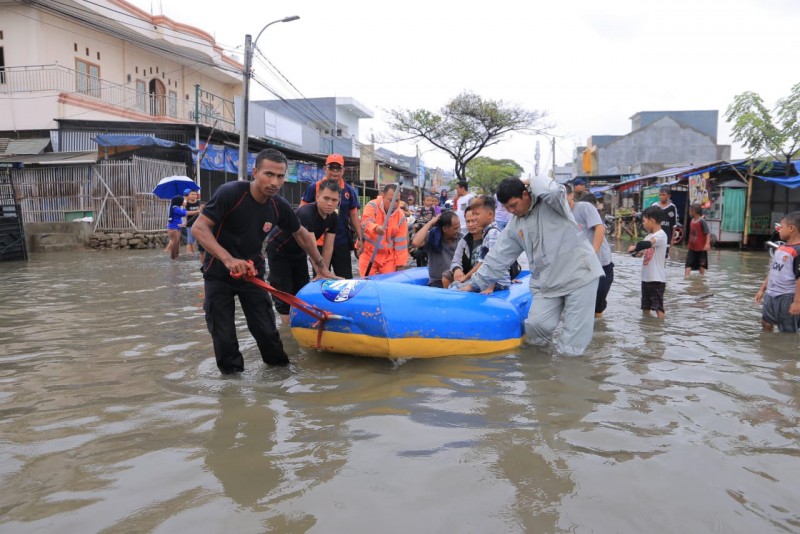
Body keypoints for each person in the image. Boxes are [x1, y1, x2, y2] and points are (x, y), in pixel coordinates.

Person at [192, 148, 335, 374]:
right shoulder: (230, 193)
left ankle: (280, 382)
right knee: (224, 337)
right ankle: (232, 392)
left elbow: (301, 235)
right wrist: (228, 260)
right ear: (255, 172)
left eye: (280, 176)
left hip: (252, 276)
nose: (274, 182)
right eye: (269, 174)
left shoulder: (278, 205)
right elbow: (199, 228)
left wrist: (321, 267)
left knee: (267, 332)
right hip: (218, 273)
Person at [468, 177, 603, 355]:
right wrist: (474, 285)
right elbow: (497, 257)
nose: (512, 211)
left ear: (526, 194)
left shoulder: (554, 204)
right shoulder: (515, 225)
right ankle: (538, 374)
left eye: (514, 205)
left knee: (571, 347)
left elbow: (554, 190)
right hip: (547, 282)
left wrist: (531, 179)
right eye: (507, 208)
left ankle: (568, 376)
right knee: (536, 328)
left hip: (580, 277)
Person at [266, 180, 340, 325]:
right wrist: (321, 270)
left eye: (334, 200)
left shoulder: (334, 218)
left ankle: (302, 323)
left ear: (339, 201)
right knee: (284, 291)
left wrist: (325, 272)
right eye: (326, 198)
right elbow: (310, 245)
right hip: (279, 249)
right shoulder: (306, 212)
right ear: (317, 196)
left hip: (299, 251)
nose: (329, 203)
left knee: (301, 288)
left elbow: (328, 247)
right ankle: (287, 330)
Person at [300, 154, 363, 278]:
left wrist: (360, 237)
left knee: (345, 277)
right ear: (325, 169)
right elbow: (302, 210)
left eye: (338, 168)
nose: (334, 172)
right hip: (318, 240)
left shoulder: (349, 190)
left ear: (343, 170)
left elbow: (354, 215)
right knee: (320, 276)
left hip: (341, 240)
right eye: (331, 167)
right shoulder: (315, 187)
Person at [567, 187, 614, 318]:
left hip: (601, 263)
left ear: (571, 196)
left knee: (597, 307)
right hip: (582, 267)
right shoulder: (562, 215)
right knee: (582, 305)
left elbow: (600, 228)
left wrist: (593, 253)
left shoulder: (584, 207)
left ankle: (598, 332)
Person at [452, 196, 511, 294]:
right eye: (473, 214)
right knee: (455, 284)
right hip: (487, 279)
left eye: (477, 214)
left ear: (490, 214)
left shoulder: (493, 233)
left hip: (496, 282)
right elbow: (482, 262)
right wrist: (465, 277)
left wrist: (489, 287)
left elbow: (493, 262)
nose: (474, 218)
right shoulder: (487, 233)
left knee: (454, 289)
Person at [754, 211, 800, 333]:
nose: (779, 230)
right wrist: (762, 289)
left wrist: (797, 302)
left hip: (787, 297)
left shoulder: (797, 251)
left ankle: (785, 350)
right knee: (766, 322)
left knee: (787, 331)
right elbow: (773, 271)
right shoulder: (781, 248)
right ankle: (768, 348)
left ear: (791, 228)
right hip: (771, 294)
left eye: (781, 227)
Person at [359, 183, 409, 276]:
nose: (394, 204)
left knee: (389, 284)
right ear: (383, 196)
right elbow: (365, 223)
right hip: (369, 253)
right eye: (391, 200)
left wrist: (400, 264)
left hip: (388, 257)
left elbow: (401, 243)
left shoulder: (401, 216)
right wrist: (376, 228)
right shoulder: (372, 205)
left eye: (397, 201)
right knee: (368, 284)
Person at [627, 205, 668, 319]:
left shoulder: (660, 235)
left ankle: (660, 329)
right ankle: (647, 330)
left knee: (658, 308)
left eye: (644, 221)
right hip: (646, 278)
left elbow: (647, 244)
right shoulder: (649, 236)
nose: (643, 224)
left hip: (656, 278)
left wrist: (635, 247)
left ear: (652, 220)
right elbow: (642, 252)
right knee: (646, 307)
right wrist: (635, 253)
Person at [411, 209, 462, 287]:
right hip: (437, 281)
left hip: (458, 281)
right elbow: (416, 242)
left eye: (459, 227)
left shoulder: (462, 238)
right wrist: (430, 223)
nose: (458, 230)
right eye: (455, 228)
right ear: (444, 229)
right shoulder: (433, 237)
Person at [684, 202, 711, 277]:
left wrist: (707, 244)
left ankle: (702, 277)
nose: (689, 213)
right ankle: (686, 277)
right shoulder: (692, 221)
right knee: (688, 263)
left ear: (694, 211)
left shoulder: (702, 221)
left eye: (690, 211)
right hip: (692, 248)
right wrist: (689, 244)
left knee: (701, 264)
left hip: (701, 248)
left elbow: (707, 233)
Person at [654, 186, 678, 257]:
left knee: (664, 257)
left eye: (663, 195)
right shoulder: (654, 206)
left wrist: (672, 239)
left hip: (667, 237)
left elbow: (674, 225)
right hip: (655, 236)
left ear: (669, 196)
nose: (661, 197)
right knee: (654, 256)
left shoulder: (672, 208)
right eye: (660, 195)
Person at [165, 194, 186, 260]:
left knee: (176, 242)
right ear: (179, 202)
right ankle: (173, 258)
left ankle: (176, 257)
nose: (184, 202)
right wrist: (185, 208)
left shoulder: (175, 207)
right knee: (175, 242)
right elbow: (184, 213)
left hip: (176, 227)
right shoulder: (176, 208)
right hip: (173, 228)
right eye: (183, 201)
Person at [183, 189, 202, 254]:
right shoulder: (186, 204)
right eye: (192, 194)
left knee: (196, 240)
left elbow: (201, 211)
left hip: (199, 223)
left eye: (195, 194)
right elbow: (186, 213)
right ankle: (189, 254)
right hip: (189, 223)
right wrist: (196, 211)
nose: (194, 196)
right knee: (190, 240)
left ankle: (194, 253)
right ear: (189, 195)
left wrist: (194, 212)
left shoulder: (199, 202)